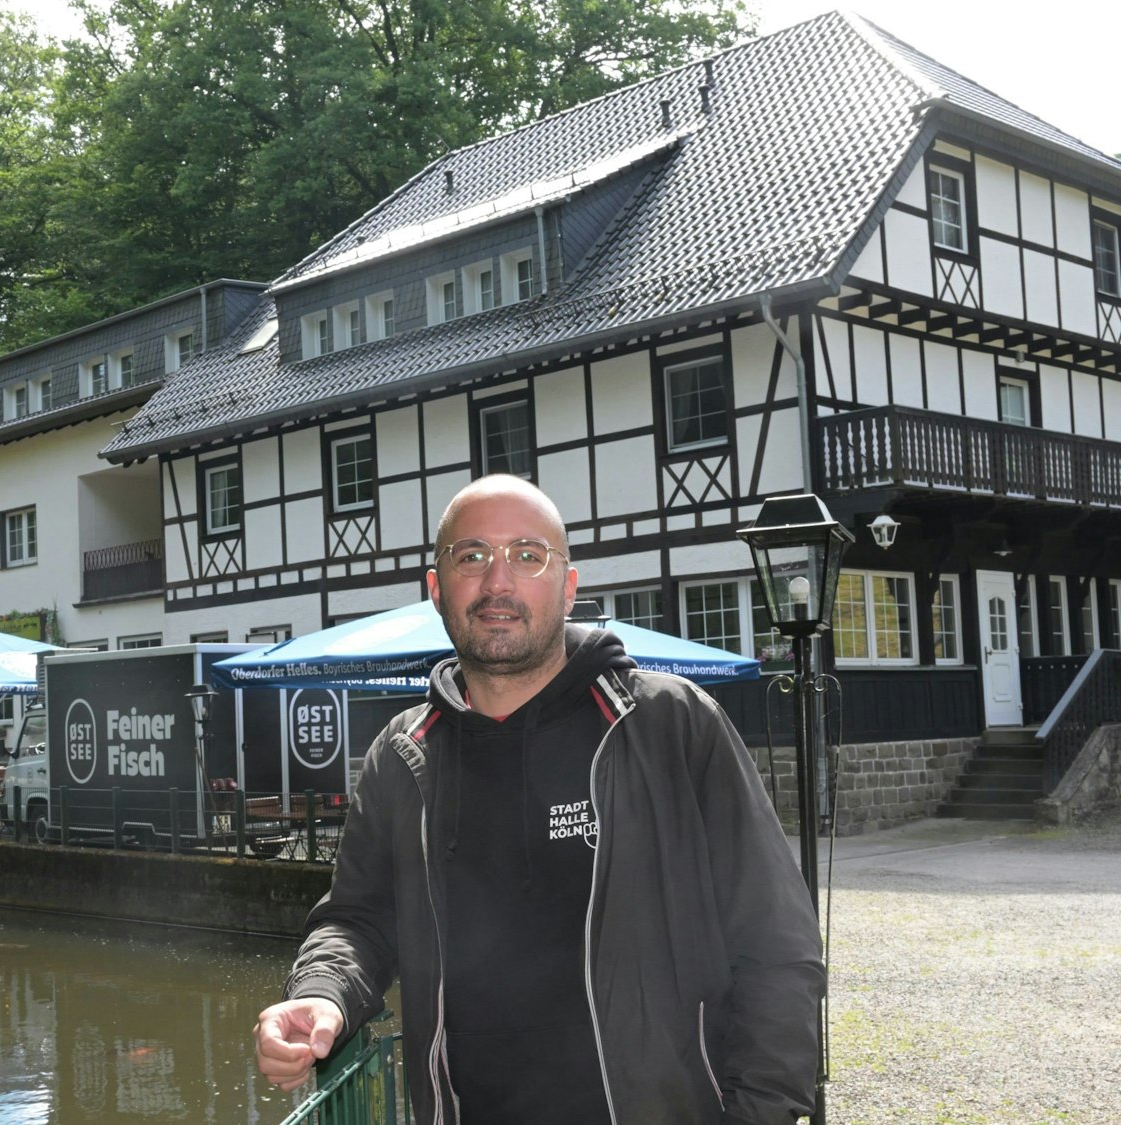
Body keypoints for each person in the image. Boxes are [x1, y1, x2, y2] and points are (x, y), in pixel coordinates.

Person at [255, 474, 824, 1124]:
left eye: (528, 555)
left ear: (568, 585)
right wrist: (323, 995)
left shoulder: (671, 725)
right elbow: (356, 919)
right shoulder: (402, 756)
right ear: (436, 587)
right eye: (471, 556)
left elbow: (778, 944)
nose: (499, 582)